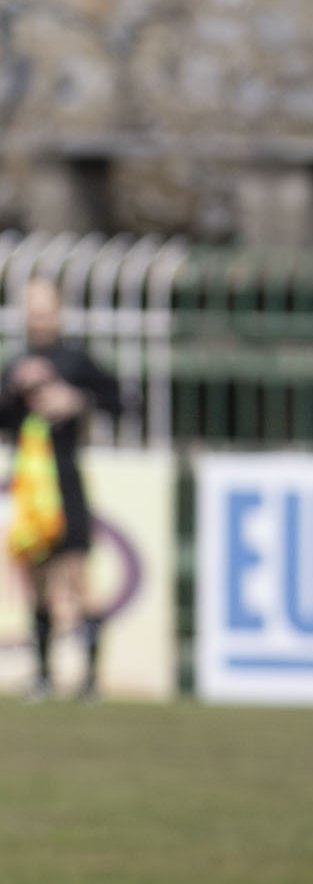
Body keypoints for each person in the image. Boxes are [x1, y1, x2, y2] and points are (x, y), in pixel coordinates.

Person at [3, 278, 121, 700]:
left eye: (45, 311)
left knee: (77, 578)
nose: (38, 319)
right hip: (30, 487)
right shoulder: (15, 365)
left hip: (65, 480)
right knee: (36, 582)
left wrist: (76, 400)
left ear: (58, 313)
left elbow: (120, 400)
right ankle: (43, 675)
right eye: (32, 311)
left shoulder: (76, 362)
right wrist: (14, 389)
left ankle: (90, 679)